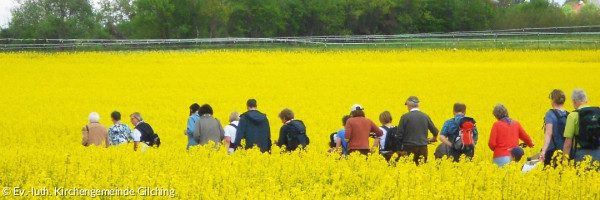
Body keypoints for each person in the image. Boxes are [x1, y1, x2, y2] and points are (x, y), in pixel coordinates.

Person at [398, 96, 439, 165]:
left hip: (408, 148)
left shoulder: (405, 117)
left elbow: (399, 134)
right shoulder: (425, 116)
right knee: (422, 168)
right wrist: (434, 138)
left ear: (409, 105)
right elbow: (435, 131)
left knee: (408, 169)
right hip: (422, 148)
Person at [563, 89, 600, 163]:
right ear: (586, 100)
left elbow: (568, 143)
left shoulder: (573, 115)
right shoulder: (598, 113)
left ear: (574, 101)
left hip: (581, 154)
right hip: (598, 152)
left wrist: (564, 162)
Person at [539, 90, 568, 166]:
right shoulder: (568, 114)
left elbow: (548, 133)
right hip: (566, 151)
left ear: (553, 100)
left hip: (552, 150)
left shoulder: (550, 113)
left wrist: (543, 151)